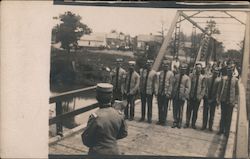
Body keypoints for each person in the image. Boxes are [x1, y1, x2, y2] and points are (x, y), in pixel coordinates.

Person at [82, 83, 128, 155]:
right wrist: (111, 139)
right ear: (111, 97)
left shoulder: (95, 117)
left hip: (98, 153)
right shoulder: (118, 114)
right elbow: (124, 133)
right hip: (114, 152)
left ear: (97, 97)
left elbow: (86, 140)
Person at [217, 65, 239, 137]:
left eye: (231, 70)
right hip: (223, 100)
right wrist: (218, 99)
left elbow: (237, 92)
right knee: (223, 116)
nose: (229, 71)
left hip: (230, 101)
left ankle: (227, 132)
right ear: (227, 71)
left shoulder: (235, 80)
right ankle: (221, 130)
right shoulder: (223, 79)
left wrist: (235, 102)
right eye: (228, 70)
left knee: (228, 118)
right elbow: (219, 89)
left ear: (233, 71)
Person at [184, 63, 206, 129]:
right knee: (188, 110)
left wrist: (200, 96)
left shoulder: (202, 77)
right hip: (191, 96)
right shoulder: (191, 76)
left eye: (199, 68)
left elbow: (203, 88)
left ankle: (193, 124)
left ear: (201, 69)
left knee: (195, 111)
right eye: (197, 68)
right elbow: (188, 85)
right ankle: (187, 123)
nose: (198, 69)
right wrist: (187, 95)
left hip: (197, 97)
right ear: (195, 68)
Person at [201, 67, 221, 131]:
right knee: (205, 113)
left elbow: (218, 91)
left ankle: (210, 126)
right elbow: (205, 87)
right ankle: (204, 125)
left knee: (212, 114)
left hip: (213, 99)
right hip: (207, 98)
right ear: (213, 72)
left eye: (217, 72)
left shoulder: (219, 80)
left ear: (218, 73)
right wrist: (206, 97)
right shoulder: (208, 79)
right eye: (215, 72)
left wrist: (213, 99)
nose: (216, 73)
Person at [172, 63, 191, 129]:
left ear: (185, 70)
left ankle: (179, 122)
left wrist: (184, 96)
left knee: (180, 109)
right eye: (182, 69)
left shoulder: (187, 78)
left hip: (181, 95)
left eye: (184, 70)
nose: (183, 70)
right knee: (175, 108)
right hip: (175, 95)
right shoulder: (176, 76)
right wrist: (172, 93)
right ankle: (175, 121)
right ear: (180, 69)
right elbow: (173, 85)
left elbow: (187, 88)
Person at [156, 60, 174, 126]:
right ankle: (160, 119)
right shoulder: (160, 73)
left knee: (165, 107)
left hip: (166, 93)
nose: (165, 67)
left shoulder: (171, 74)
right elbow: (158, 83)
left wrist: (169, 93)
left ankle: (164, 120)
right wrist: (157, 91)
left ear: (168, 66)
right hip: (160, 92)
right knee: (159, 107)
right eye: (164, 66)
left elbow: (171, 84)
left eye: (166, 66)